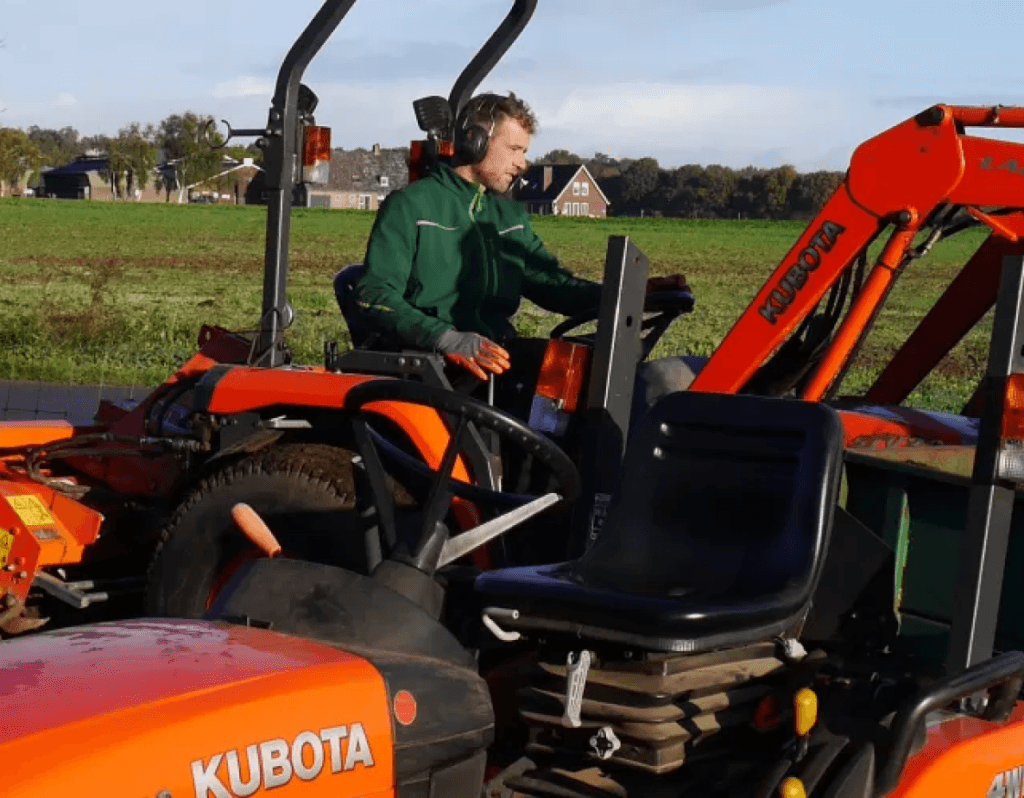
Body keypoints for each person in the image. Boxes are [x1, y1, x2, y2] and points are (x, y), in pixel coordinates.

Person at [351, 91, 693, 413]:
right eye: (514, 149)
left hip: (498, 356)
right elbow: (374, 293)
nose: (523, 164)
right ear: (476, 141)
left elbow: (554, 285)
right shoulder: (412, 205)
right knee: (563, 390)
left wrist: (631, 295)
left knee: (583, 377)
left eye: (524, 151)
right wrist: (446, 338)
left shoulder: (507, 217)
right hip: (437, 365)